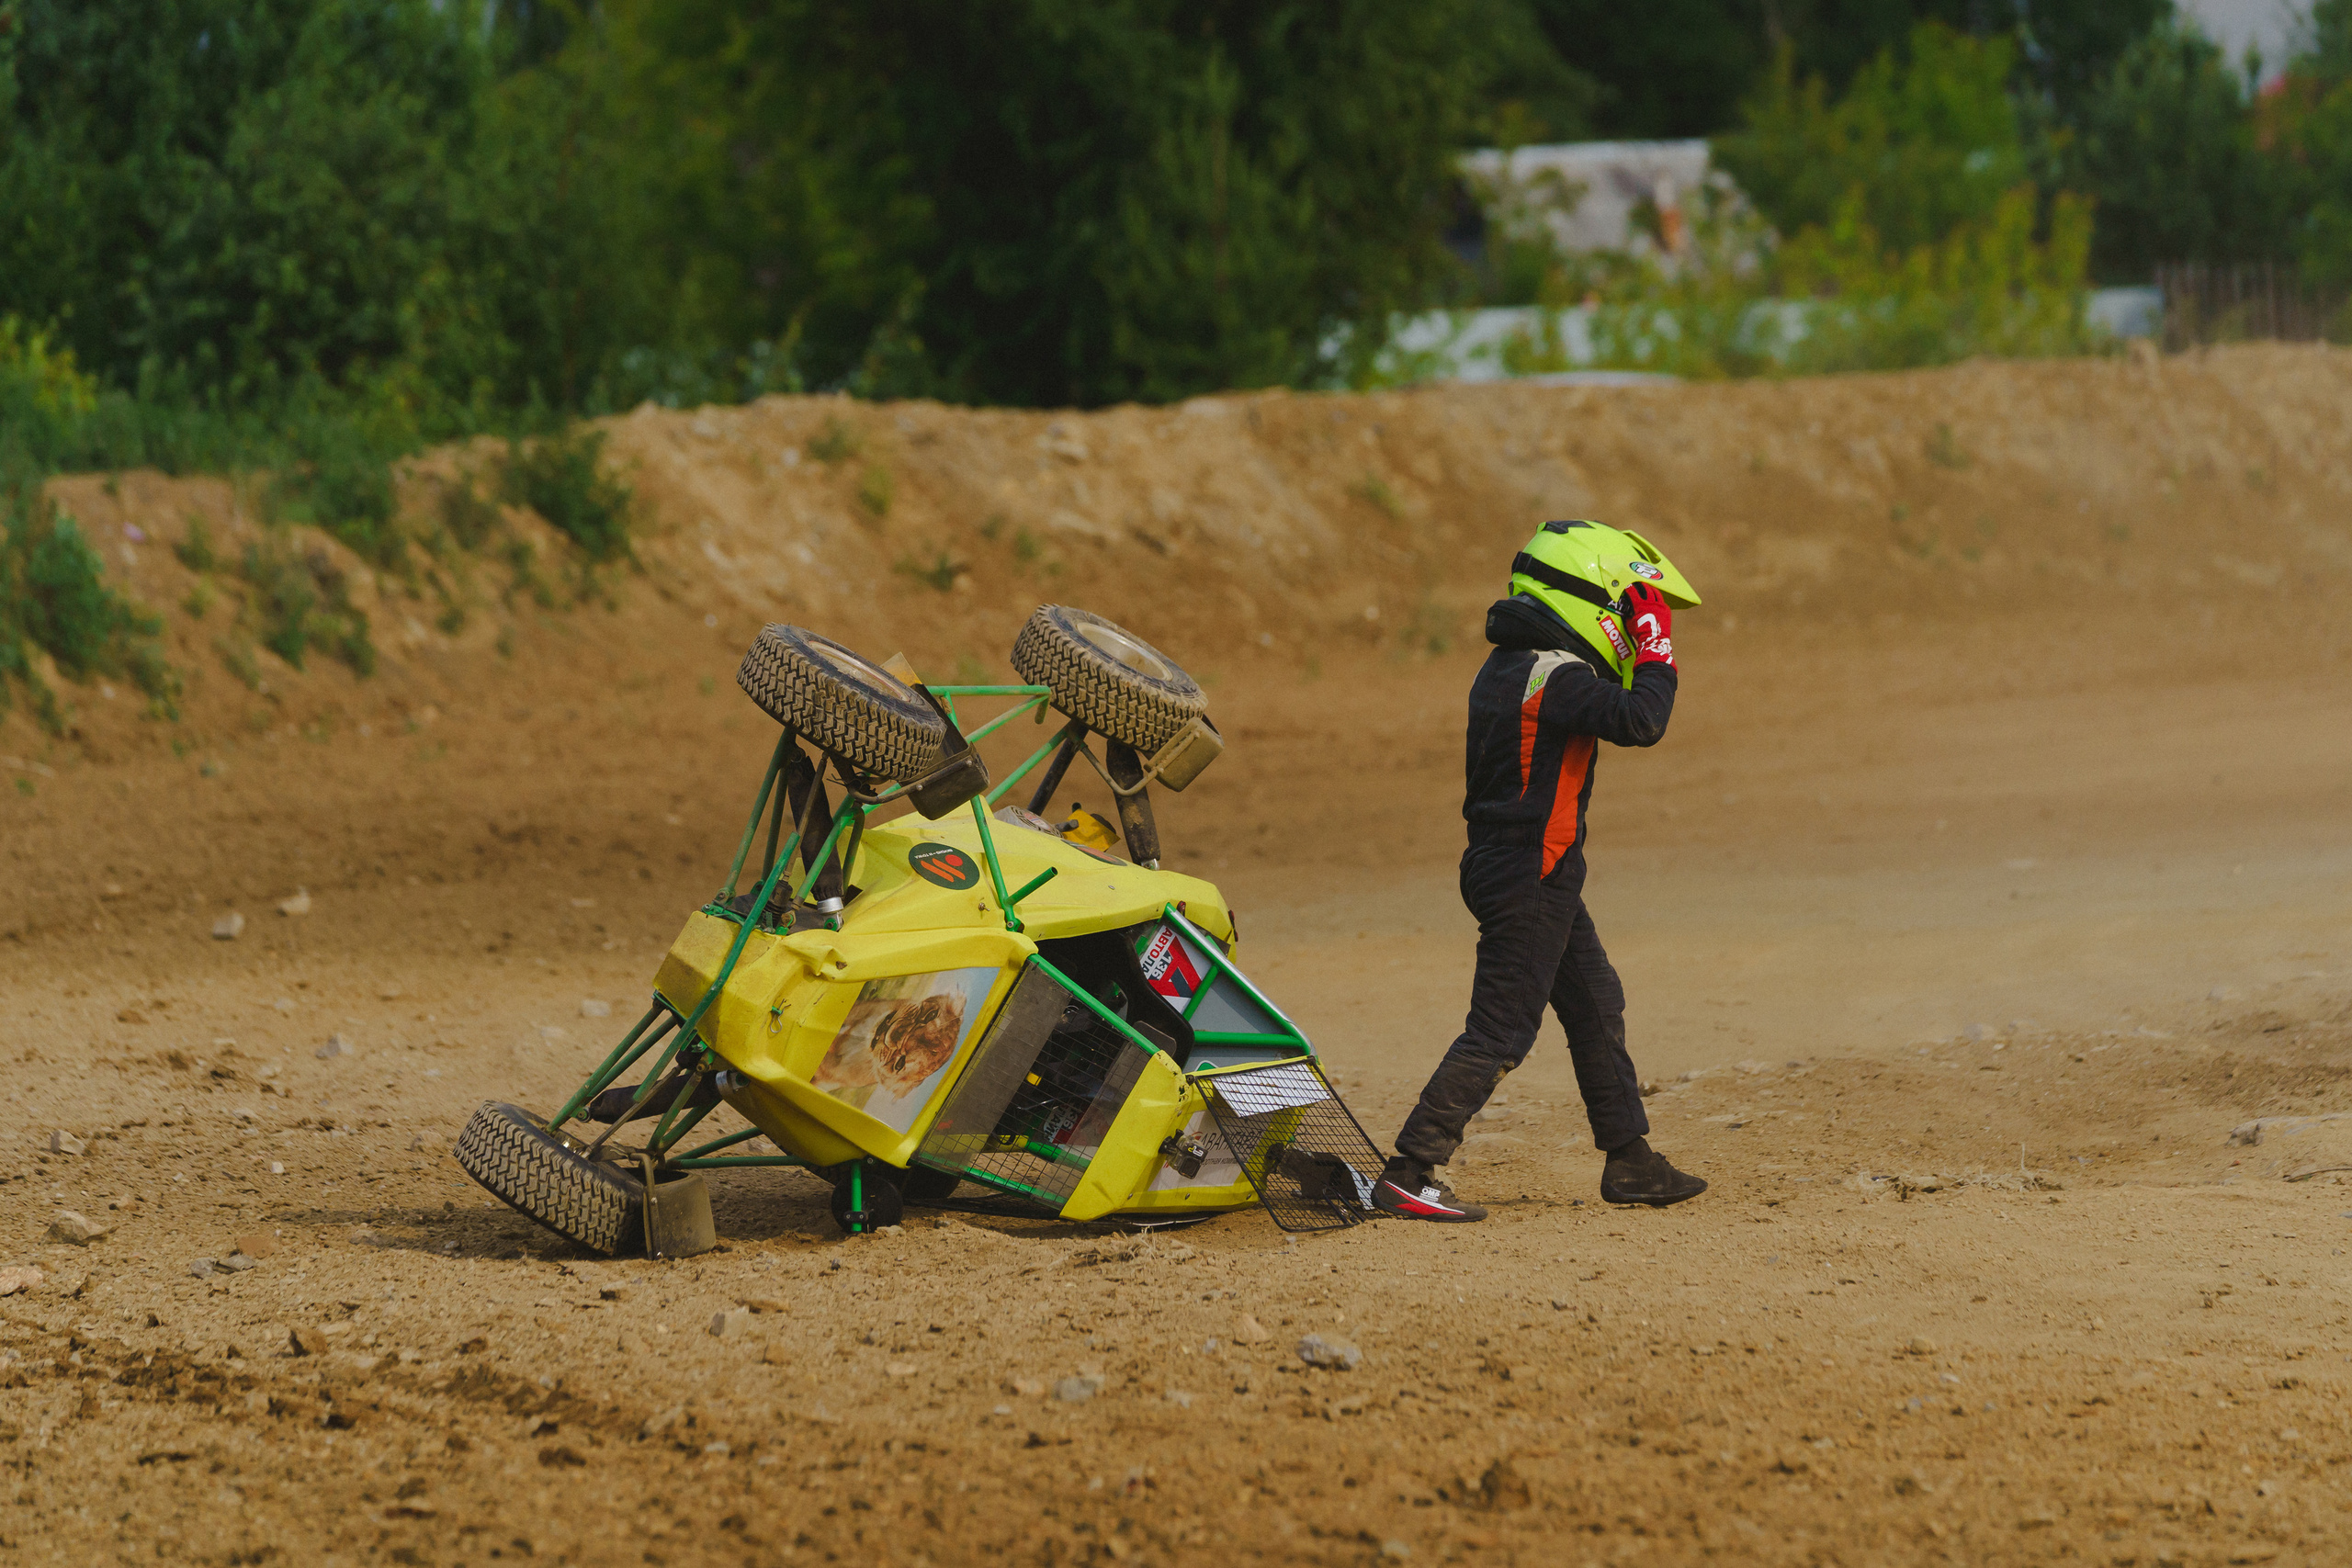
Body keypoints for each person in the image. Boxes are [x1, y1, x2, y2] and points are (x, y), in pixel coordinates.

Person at [1375, 520, 1707, 1222]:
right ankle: (1410, 1168)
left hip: (1522, 868)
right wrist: (1655, 643)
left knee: (1595, 1001)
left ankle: (1631, 1160)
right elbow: (1643, 718)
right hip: (1531, 870)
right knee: (1502, 1029)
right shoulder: (1554, 676)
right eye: (1621, 605)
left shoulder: (1509, 667)